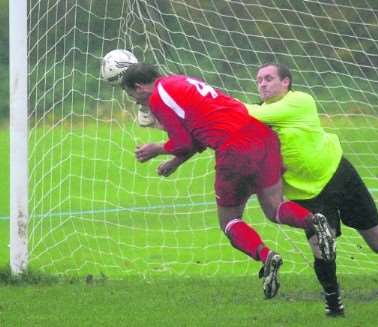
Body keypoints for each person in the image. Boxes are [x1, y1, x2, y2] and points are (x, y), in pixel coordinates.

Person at [120, 63, 336, 299]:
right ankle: (314, 221)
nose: (137, 102)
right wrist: (176, 162)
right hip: (263, 137)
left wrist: (157, 149)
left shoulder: (158, 99)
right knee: (275, 207)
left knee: (230, 221)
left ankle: (267, 257)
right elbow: (198, 133)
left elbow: (182, 142)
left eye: (133, 96)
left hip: (234, 150)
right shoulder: (180, 81)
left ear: (139, 86)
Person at [246, 63, 378, 315]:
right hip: (307, 194)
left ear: (286, 82)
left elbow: (245, 114)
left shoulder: (300, 101)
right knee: (321, 248)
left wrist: (211, 102)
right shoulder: (256, 116)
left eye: (269, 78)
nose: (262, 83)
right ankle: (333, 300)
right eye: (259, 79)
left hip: (338, 174)